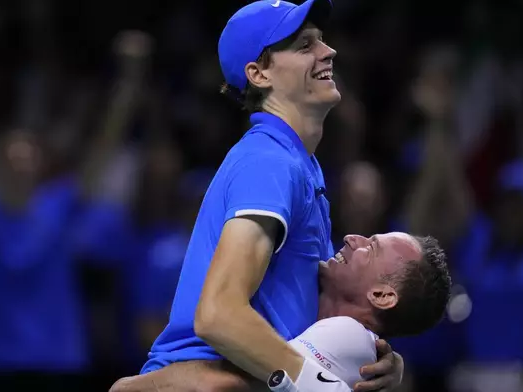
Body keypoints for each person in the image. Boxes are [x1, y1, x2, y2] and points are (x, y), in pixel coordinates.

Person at [112, 1, 403, 391]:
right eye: (304, 46)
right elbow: (218, 314)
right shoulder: (271, 161)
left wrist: (371, 357)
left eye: (322, 41)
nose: (328, 51)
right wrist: (318, 384)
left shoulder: (298, 164)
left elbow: (294, 321)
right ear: (259, 73)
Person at [112, 232, 451, 391]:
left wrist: (132, 387)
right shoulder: (345, 340)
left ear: (380, 295)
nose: (352, 238)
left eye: (371, 247)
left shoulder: (347, 337)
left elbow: (226, 384)